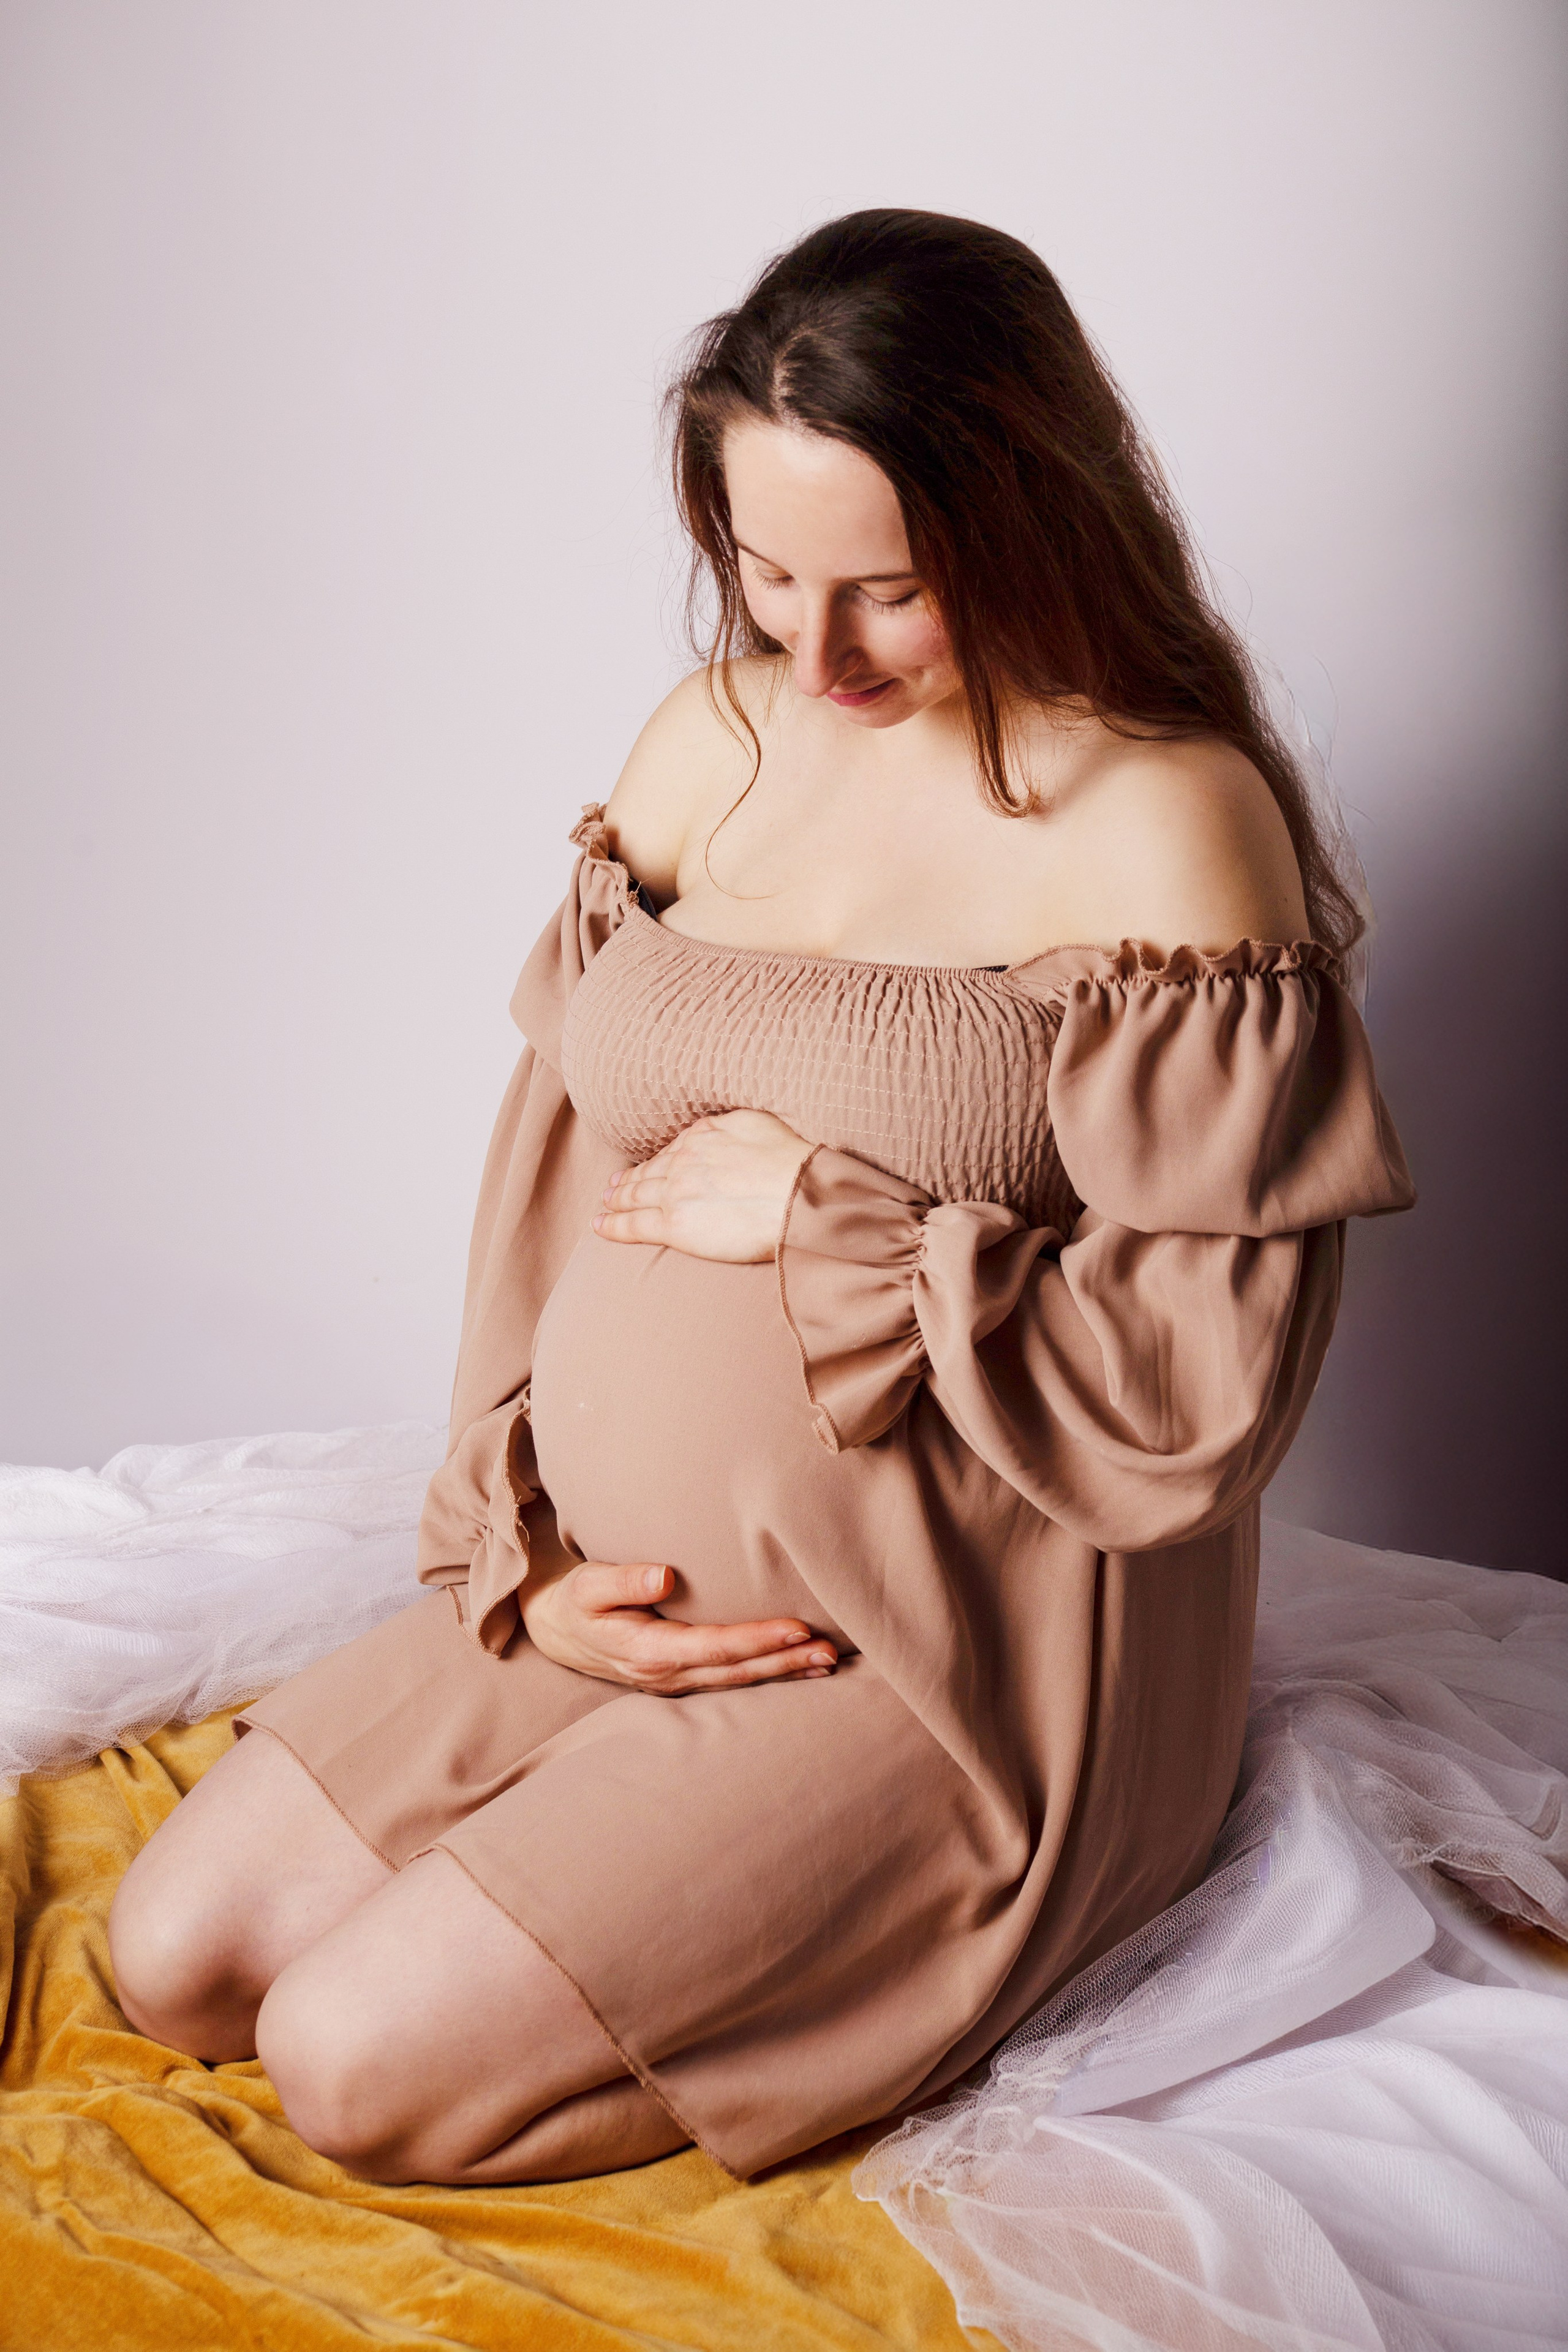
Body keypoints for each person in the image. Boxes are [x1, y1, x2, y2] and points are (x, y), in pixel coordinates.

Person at [107, 209, 1414, 2188]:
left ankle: (918, 1969)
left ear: (1033, 516)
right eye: (765, 569)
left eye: (892, 589)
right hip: (614, 1600)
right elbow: (552, 1194)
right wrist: (520, 1540)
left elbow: (1197, 1388)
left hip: (940, 1648)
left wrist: (830, 1217)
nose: (816, 654)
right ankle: (633, 1843)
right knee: (176, 1959)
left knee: (356, 2071)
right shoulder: (709, 744)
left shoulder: (1165, 818)